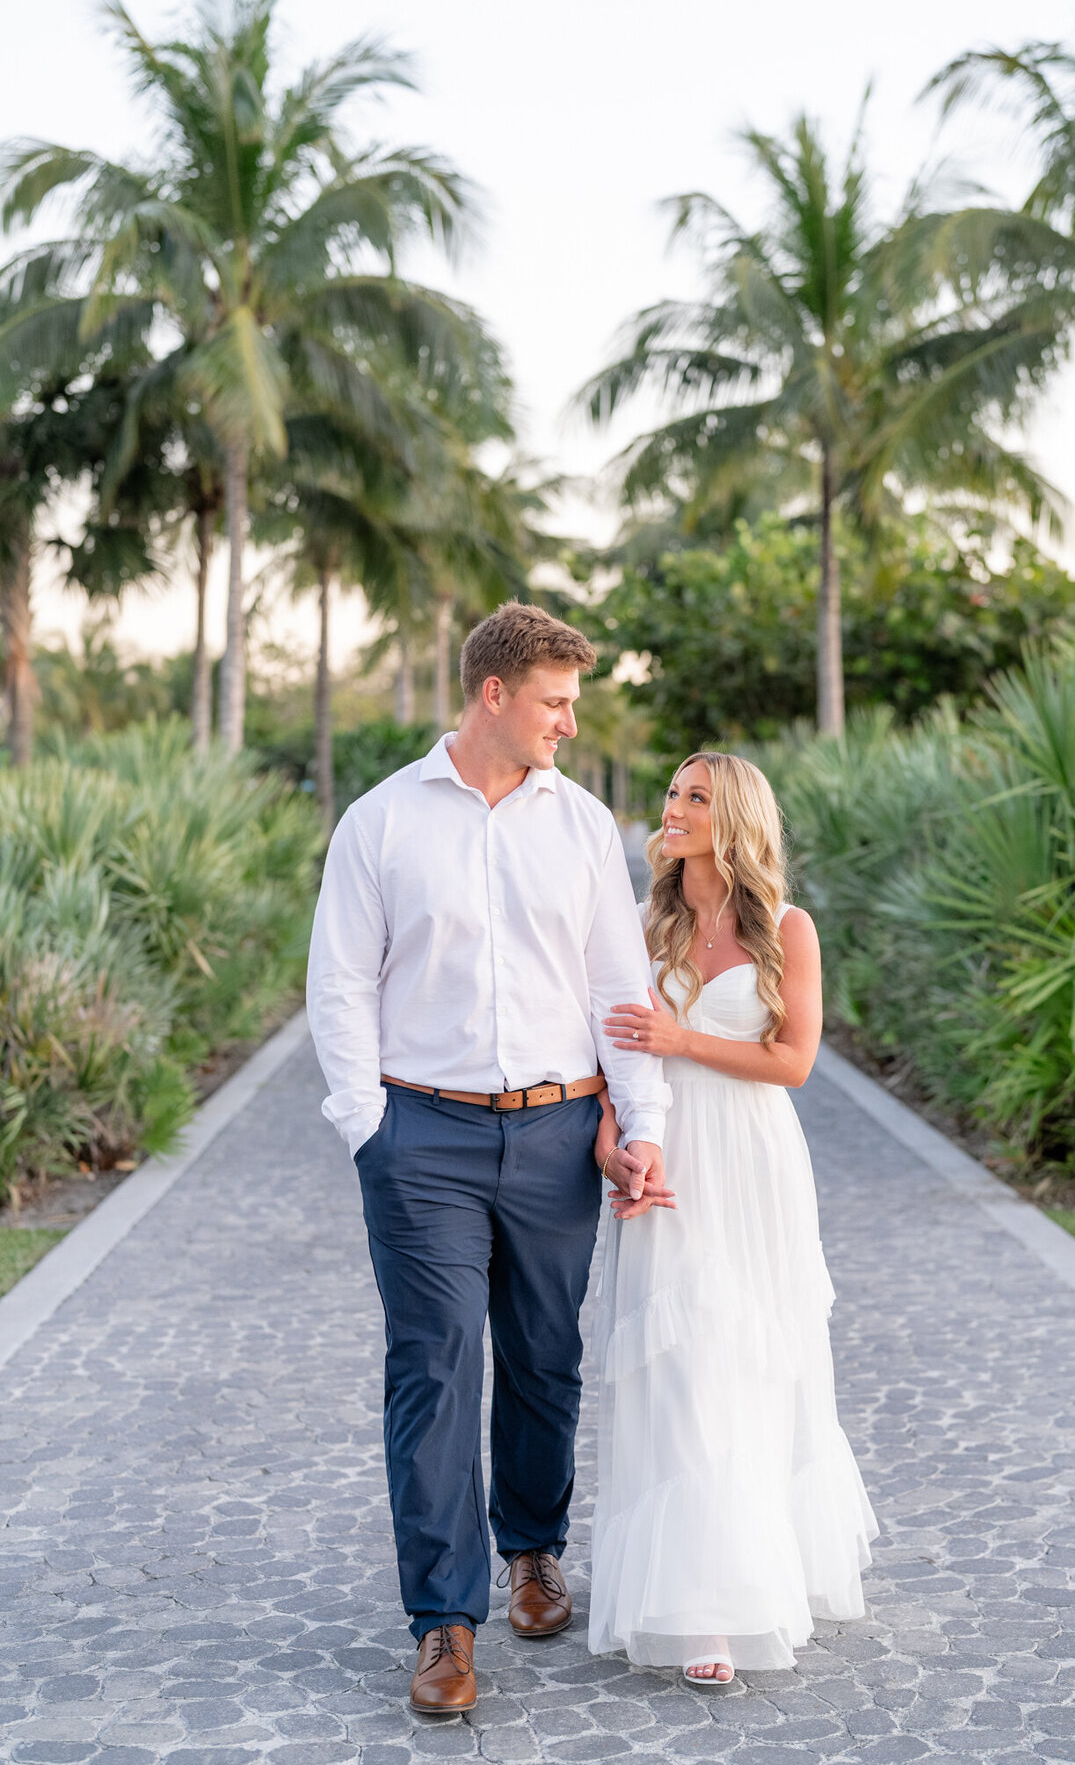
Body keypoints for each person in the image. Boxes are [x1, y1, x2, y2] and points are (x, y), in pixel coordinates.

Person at [306, 603, 673, 1716]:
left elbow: (621, 987)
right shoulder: (380, 824)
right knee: (433, 1368)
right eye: (555, 702)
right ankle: (444, 1623)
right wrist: (367, 1127)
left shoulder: (581, 827)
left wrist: (639, 1119)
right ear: (493, 695)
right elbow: (340, 984)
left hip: (561, 1134)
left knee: (543, 1356)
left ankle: (531, 1550)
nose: (569, 721)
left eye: (574, 702)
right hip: (424, 1139)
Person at [588, 751, 877, 1686]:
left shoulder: (788, 929)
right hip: (667, 1160)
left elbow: (794, 1061)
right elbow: (604, 1052)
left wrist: (683, 1039)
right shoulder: (639, 927)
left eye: (694, 798)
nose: (672, 809)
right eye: (671, 794)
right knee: (680, 1364)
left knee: (752, 1357)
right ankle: (703, 1603)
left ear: (735, 817)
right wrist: (611, 1142)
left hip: (752, 1162)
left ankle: (756, 1571)